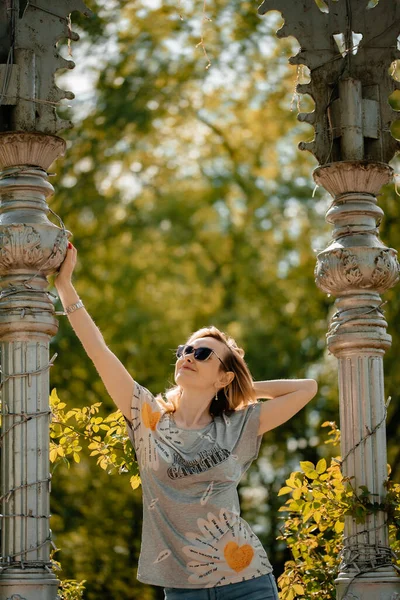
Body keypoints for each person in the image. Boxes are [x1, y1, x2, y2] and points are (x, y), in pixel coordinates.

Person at [55, 241, 318, 600]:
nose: (189, 356)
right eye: (185, 350)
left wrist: (238, 389)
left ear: (223, 377)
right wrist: (66, 287)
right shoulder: (147, 417)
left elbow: (307, 388)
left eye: (204, 353)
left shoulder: (238, 425)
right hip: (183, 589)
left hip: (247, 582)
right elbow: (99, 352)